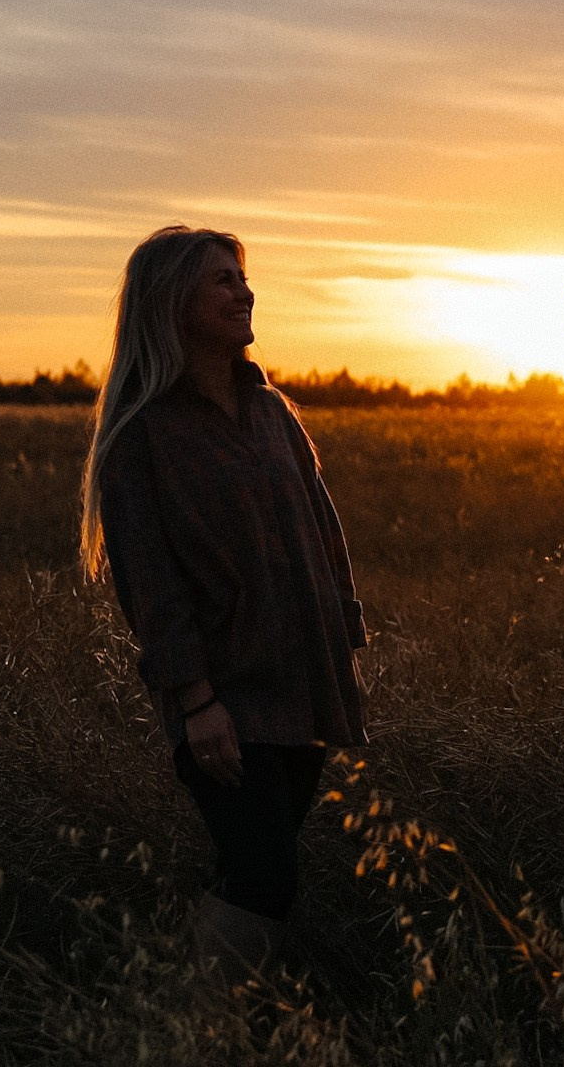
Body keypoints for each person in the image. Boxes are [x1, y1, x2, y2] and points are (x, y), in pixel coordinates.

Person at [78, 225, 369, 978]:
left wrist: (345, 638)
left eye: (242, 279)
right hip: (223, 697)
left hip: (301, 681)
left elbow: (322, 525)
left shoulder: (272, 412)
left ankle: (194, 1008)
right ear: (174, 304)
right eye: (222, 281)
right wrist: (196, 699)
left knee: (254, 872)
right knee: (265, 875)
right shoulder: (143, 435)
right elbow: (149, 583)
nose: (244, 293)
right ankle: (208, 1029)